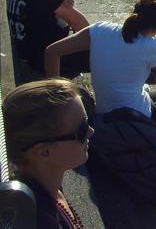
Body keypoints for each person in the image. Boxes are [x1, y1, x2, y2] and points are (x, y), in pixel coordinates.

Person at [2, 78, 94, 228]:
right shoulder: (41, 221)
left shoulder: (46, 186)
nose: (91, 131)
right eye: (82, 129)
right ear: (44, 152)